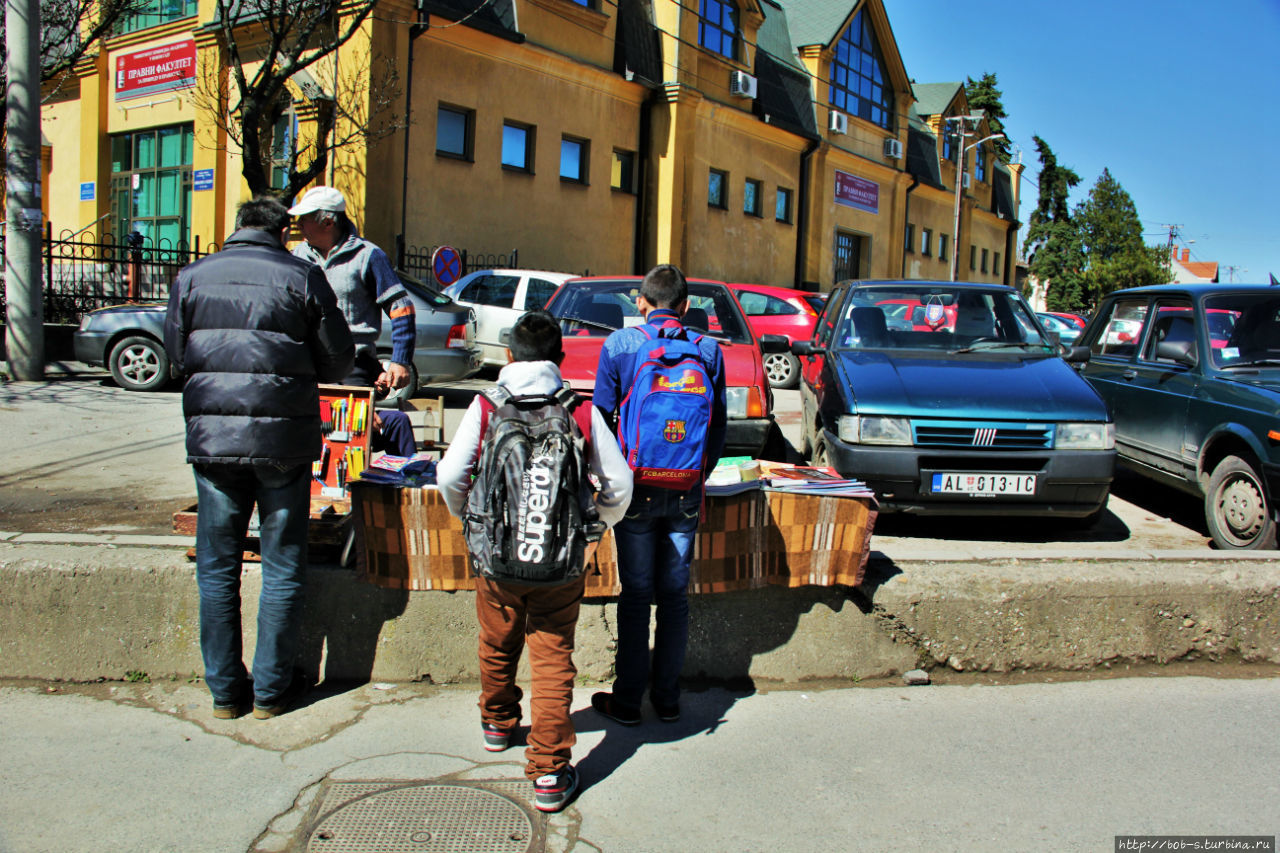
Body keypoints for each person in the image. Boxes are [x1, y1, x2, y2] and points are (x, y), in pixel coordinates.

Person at [164, 196, 355, 720]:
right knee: (283, 563)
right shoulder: (301, 275)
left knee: (218, 567)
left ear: (238, 228)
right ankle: (272, 691)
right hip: (283, 444)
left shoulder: (192, 277)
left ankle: (226, 693)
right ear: (281, 232)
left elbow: (178, 357)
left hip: (214, 443)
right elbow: (338, 355)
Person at [437, 310, 633, 813]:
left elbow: (450, 475)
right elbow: (619, 486)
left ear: (509, 356)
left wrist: (475, 522)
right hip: (560, 563)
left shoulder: (486, 406)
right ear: (559, 357)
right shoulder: (581, 411)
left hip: (497, 560)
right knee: (551, 659)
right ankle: (548, 772)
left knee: (497, 639)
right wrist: (594, 529)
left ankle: (498, 724)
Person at [589, 264, 726, 726]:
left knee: (635, 595)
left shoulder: (620, 346)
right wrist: (694, 474)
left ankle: (627, 701)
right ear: (687, 308)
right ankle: (667, 699)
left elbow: (601, 420)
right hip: (686, 490)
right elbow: (718, 427)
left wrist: (615, 480)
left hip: (637, 489)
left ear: (640, 304)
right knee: (674, 596)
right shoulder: (707, 350)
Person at [288, 185, 417, 458]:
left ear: (327, 221)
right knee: (313, 441)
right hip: (307, 365)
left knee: (351, 444)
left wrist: (400, 360)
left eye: (305, 218)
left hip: (353, 365)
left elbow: (401, 307)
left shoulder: (368, 256)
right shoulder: (297, 257)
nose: (299, 225)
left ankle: (374, 495)